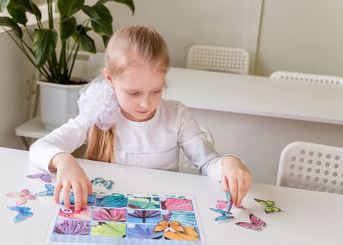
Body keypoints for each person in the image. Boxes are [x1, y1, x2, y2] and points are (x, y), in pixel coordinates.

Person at [29, 26, 251, 211]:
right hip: (107, 209)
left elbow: (208, 162)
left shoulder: (177, 115)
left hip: (161, 213)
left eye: (156, 90)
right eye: (134, 93)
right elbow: (41, 147)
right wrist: (63, 160)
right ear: (110, 79)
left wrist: (229, 163)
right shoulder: (97, 112)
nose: (146, 104)